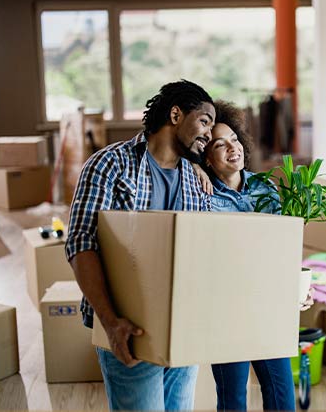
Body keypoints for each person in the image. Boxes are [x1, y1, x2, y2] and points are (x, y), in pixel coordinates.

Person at [65, 80, 215, 411]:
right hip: (128, 328)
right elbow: (81, 243)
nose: (209, 133)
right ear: (176, 114)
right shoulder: (109, 165)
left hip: (183, 327)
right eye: (205, 121)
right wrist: (109, 321)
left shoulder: (194, 180)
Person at [198, 100, 312, 411]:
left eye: (234, 139)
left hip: (267, 306)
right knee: (233, 399)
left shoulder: (265, 189)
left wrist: (298, 286)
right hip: (226, 311)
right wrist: (192, 167)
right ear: (206, 157)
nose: (231, 147)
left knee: (281, 396)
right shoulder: (200, 196)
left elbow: (282, 247)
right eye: (219, 144)